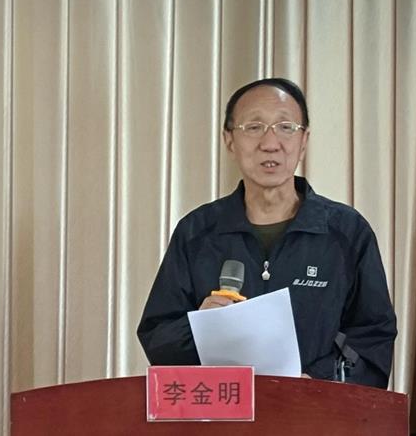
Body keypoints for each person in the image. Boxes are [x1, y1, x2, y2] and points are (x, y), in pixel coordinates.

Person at [137, 78, 397, 388]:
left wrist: (317, 382)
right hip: (223, 409)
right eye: (254, 127)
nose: (270, 143)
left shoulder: (347, 233)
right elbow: (158, 336)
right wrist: (200, 327)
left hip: (314, 411)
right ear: (229, 140)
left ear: (304, 140)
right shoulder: (197, 232)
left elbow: (373, 339)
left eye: (286, 127)